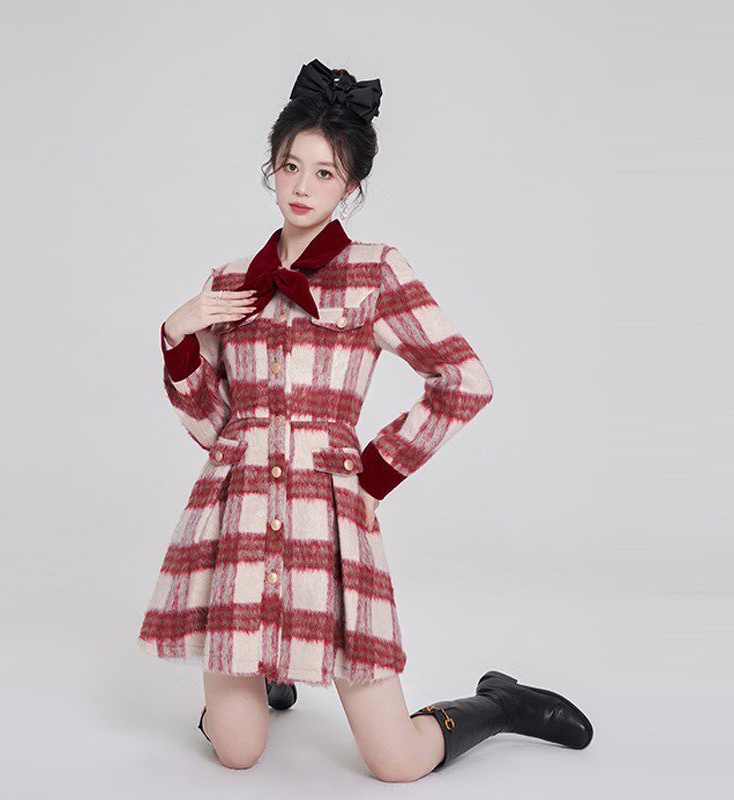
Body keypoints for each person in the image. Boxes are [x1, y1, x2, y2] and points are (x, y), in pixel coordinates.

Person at [138, 58, 593, 778]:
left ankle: (502, 702)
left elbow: (464, 379)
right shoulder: (227, 283)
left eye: (324, 173)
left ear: (349, 186)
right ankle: (265, 678)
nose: (302, 186)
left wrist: (373, 474)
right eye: (291, 166)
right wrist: (178, 336)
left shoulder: (375, 272)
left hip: (329, 521)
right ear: (272, 168)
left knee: (396, 763)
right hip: (236, 519)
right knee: (238, 753)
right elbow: (213, 427)